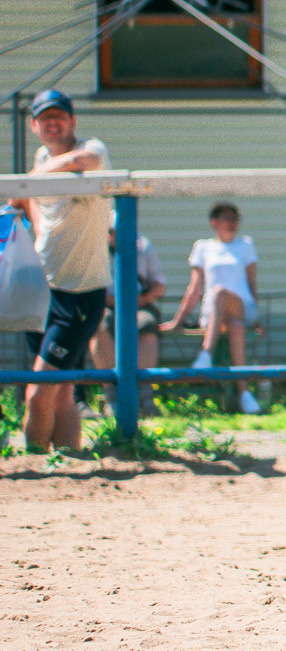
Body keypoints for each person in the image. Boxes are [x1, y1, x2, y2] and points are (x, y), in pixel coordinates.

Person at [5, 91, 112, 452]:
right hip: (43, 292)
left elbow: (88, 158)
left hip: (79, 293)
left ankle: (35, 462)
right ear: (33, 125)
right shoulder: (41, 157)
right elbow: (21, 201)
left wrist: (30, 179)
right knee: (62, 393)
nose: (53, 123)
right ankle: (70, 458)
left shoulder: (90, 150)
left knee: (37, 394)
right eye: (44, 118)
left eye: (59, 116)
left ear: (72, 120)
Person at [165, 202, 264, 412]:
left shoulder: (245, 245)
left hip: (242, 306)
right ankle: (244, 393)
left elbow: (251, 283)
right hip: (214, 314)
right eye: (228, 218)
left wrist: (256, 319)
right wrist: (177, 321)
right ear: (214, 222)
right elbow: (195, 288)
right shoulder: (203, 247)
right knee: (235, 326)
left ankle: (205, 354)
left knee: (220, 292)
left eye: (235, 218)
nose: (233, 223)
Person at [89, 209, 166, 410]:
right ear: (108, 233)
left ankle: (143, 393)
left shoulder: (144, 247)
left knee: (147, 324)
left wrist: (143, 299)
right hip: (107, 306)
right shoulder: (96, 251)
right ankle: (113, 394)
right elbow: (90, 290)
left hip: (139, 305)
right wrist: (115, 302)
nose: (120, 235)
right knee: (99, 324)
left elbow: (159, 285)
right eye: (115, 231)